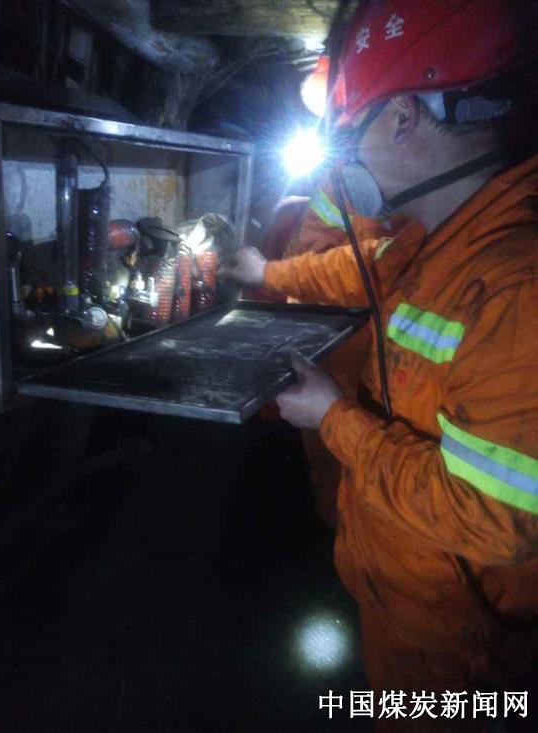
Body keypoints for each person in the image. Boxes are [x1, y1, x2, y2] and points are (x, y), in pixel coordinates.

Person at [225, 0, 538, 728]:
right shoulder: (445, 237)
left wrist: (336, 418)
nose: (347, 159)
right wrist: (268, 275)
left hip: (464, 658)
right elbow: (358, 266)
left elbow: (493, 518)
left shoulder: (514, 287)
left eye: (350, 133)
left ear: (403, 117)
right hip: (407, 605)